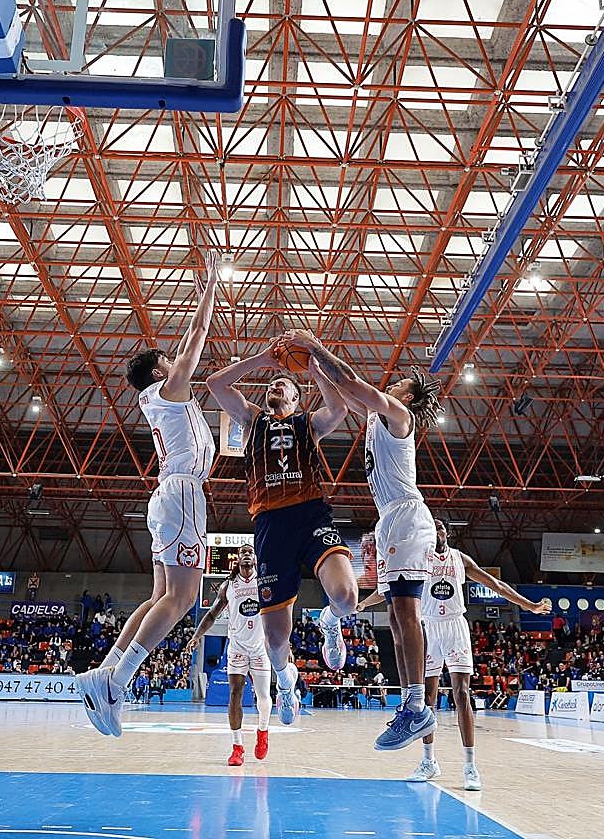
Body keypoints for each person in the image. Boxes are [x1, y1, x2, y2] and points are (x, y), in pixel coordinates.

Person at [75, 252, 221, 737]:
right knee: (181, 598)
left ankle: (106, 670)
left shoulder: (160, 394)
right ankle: (116, 682)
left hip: (169, 494)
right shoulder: (169, 389)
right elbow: (195, 340)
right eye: (168, 361)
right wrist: (211, 288)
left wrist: (199, 296)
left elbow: (181, 349)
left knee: (160, 595)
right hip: (181, 494)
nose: (175, 361)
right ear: (162, 371)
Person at [279, 329, 441, 751]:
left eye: (400, 385)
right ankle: (412, 707)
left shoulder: (398, 416)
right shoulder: (378, 416)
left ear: (409, 398)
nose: (392, 385)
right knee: (398, 615)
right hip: (390, 520)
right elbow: (346, 395)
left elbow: (352, 383)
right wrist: (314, 370)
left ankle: (417, 707)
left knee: (407, 614)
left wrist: (316, 345)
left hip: (406, 516)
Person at [206, 342, 357, 728]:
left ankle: (329, 620)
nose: (275, 385)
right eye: (271, 383)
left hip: (310, 514)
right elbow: (215, 384)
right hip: (270, 526)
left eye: (283, 383)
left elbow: (339, 408)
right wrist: (260, 360)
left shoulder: (308, 423)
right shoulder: (252, 419)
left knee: (347, 596)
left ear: (295, 396)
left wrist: (314, 369)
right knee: (275, 641)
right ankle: (286, 683)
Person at [359, 518, 549, 789]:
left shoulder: (460, 559)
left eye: (441, 527)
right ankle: (429, 761)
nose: (437, 532)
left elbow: (495, 584)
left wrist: (528, 605)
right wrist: (363, 604)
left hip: (455, 626)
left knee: (462, 693)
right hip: (428, 627)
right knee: (426, 699)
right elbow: (386, 590)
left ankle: (470, 766)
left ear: (447, 532)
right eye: (433, 528)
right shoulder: (418, 558)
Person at [184, 544, 272, 765]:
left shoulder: (264, 583)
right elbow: (212, 614)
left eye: (250, 552)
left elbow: (278, 610)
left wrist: (283, 643)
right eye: (242, 553)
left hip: (260, 646)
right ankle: (237, 747)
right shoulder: (228, 586)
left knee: (263, 696)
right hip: (237, 647)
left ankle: (263, 732)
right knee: (235, 693)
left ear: (254, 559)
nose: (246, 555)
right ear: (238, 560)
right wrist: (197, 636)